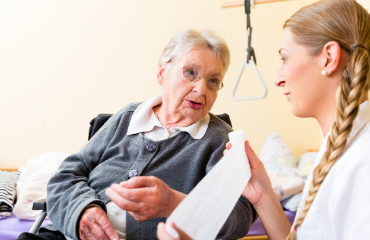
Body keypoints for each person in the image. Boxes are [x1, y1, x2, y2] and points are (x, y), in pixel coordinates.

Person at [156, 0, 370, 239]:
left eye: (285, 58)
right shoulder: (339, 150)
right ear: (162, 73)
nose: (278, 78)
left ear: (329, 58)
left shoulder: (362, 160)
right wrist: (263, 194)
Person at [18, 29, 257, 240]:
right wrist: (82, 210)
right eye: (190, 72)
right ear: (162, 73)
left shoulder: (219, 140)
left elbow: (240, 214)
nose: (201, 89)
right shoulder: (128, 117)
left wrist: (175, 205)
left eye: (213, 80)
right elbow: (66, 174)